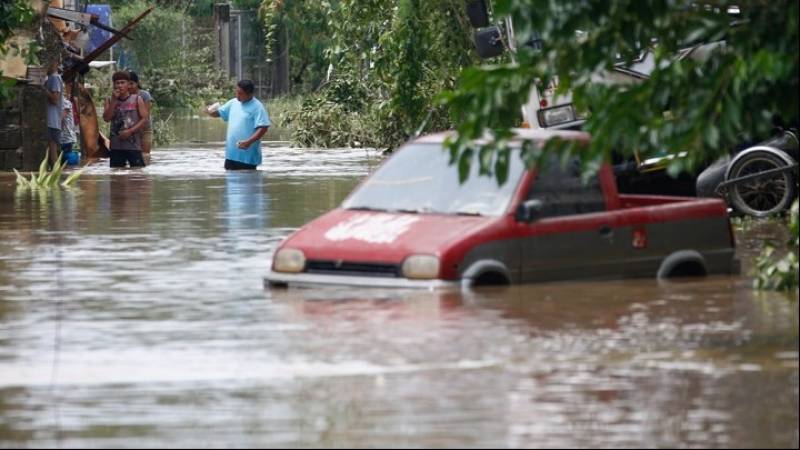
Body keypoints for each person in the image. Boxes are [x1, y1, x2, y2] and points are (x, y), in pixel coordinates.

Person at [206, 79, 270, 170]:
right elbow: (220, 113)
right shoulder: (233, 102)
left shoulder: (257, 107)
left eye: (240, 93)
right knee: (231, 182)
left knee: (248, 182)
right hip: (231, 155)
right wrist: (210, 112)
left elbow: (263, 127)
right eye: (236, 92)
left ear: (249, 94)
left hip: (247, 157)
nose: (237, 96)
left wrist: (248, 142)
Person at [102, 71, 149, 168]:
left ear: (128, 85)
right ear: (114, 85)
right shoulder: (109, 100)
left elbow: (144, 119)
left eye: (122, 82)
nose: (120, 85)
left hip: (133, 145)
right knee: (115, 175)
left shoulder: (137, 99)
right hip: (116, 146)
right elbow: (106, 118)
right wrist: (114, 101)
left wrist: (130, 131)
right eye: (117, 83)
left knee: (138, 173)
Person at [128, 71, 153, 156]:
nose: (129, 86)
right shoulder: (124, 96)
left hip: (144, 130)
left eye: (131, 83)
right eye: (127, 84)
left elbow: (146, 115)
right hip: (129, 131)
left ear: (137, 83)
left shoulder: (144, 95)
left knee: (145, 155)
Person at [44, 60, 64, 166]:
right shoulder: (54, 78)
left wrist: (42, 88)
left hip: (52, 120)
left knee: (52, 149)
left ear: (55, 64)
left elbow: (55, 99)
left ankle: (56, 176)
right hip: (53, 120)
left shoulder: (54, 78)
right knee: (51, 149)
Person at [60, 96, 80, 165]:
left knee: (70, 163)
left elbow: (61, 118)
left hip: (67, 139)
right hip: (62, 139)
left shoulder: (66, 103)